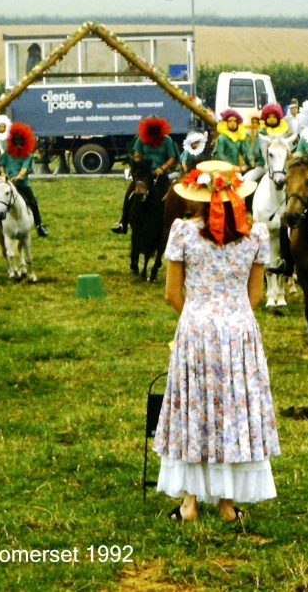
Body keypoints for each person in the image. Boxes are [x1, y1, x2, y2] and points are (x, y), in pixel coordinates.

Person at [155, 160, 279, 523]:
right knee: (234, 409)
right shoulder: (256, 236)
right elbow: (254, 294)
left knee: (195, 407)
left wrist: (198, 316)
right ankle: (227, 504)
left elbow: (171, 293)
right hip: (239, 330)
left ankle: (189, 502)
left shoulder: (183, 232)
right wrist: (232, 315)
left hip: (196, 328)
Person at [111, 116, 176, 234]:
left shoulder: (167, 140)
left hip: (161, 173)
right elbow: (136, 155)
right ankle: (123, 223)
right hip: (144, 174)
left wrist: (163, 168)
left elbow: (172, 157)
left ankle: (172, 222)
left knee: (171, 195)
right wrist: (138, 164)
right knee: (130, 192)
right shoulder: (141, 139)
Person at [0, 121, 49, 237]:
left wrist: (19, 176)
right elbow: (1, 164)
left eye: (21, 141)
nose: (19, 143)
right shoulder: (7, 153)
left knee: (33, 203)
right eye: (16, 141)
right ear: (12, 141)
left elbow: (25, 167)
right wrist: (3, 173)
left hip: (23, 184)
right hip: (8, 184)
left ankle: (39, 226)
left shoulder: (27, 155)